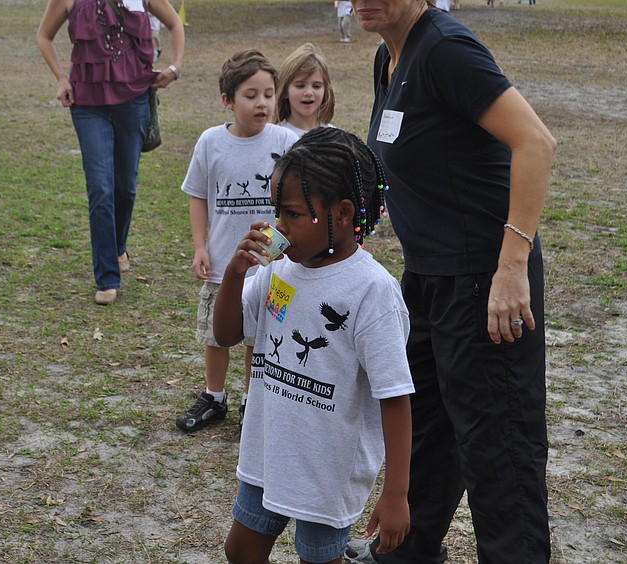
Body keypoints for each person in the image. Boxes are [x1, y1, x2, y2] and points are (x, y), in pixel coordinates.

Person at [347, 0, 558, 562]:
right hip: (428, 278)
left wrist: (511, 267)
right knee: (426, 431)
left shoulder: (444, 48)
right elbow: (391, 171)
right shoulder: (388, 57)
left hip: (486, 283)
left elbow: (536, 143)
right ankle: (406, 549)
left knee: (499, 447)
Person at [213, 127, 414, 564]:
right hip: (269, 451)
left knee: (319, 560)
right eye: (277, 212)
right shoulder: (278, 270)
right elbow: (228, 335)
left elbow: (394, 396)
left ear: (343, 215)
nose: (279, 227)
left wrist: (396, 493)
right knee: (241, 550)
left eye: (293, 215)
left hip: (327, 469)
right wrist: (234, 273)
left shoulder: (370, 290)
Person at [175, 50, 298, 433]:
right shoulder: (211, 142)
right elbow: (197, 195)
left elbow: (299, 196)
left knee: (256, 335)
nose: (262, 103)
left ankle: (252, 399)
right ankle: (214, 396)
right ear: (227, 100)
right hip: (223, 263)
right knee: (217, 332)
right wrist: (200, 246)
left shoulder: (286, 140)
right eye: (250, 95)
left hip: (270, 265)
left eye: (268, 93)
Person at [36, 0, 185, 305]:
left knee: (125, 187)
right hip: (88, 105)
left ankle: (117, 247)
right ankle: (107, 277)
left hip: (134, 102)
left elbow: (175, 24)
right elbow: (44, 36)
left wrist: (175, 67)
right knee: (100, 188)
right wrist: (61, 78)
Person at [275, 43, 336, 137]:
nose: (308, 93)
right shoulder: (277, 136)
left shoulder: (333, 136)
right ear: (285, 91)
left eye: (316, 86)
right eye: (300, 86)